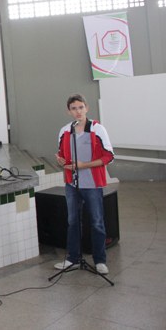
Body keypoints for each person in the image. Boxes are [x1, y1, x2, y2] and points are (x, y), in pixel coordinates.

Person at [54, 93, 114, 275]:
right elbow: (61, 154)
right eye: (74, 108)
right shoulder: (65, 131)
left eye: (81, 107)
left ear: (86, 108)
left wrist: (83, 165)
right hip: (72, 185)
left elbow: (109, 156)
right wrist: (60, 160)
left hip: (92, 184)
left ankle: (100, 260)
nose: (78, 111)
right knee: (73, 221)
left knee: (96, 222)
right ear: (69, 111)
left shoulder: (97, 129)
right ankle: (72, 258)